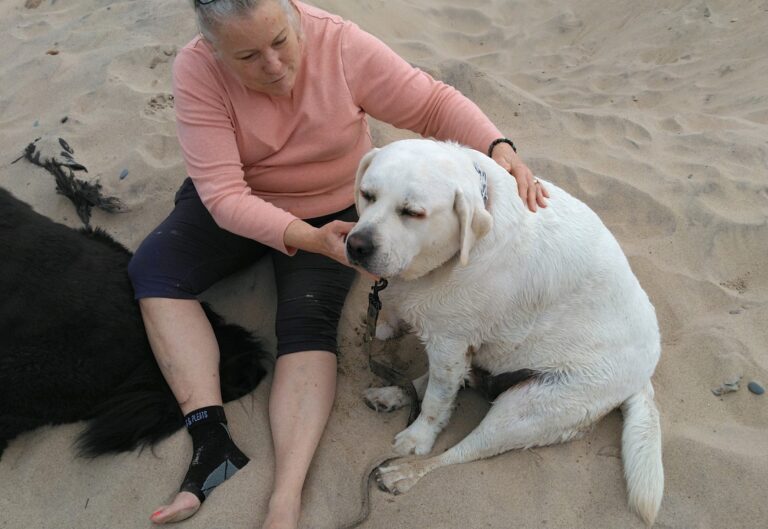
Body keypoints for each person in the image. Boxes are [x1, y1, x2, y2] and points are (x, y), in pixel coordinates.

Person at [127, 0, 549, 527]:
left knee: (306, 325)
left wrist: (498, 145)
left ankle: (286, 495)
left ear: (296, 18)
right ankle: (209, 439)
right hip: (241, 206)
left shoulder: (339, 42)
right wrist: (305, 238)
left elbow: (432, 105)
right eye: (249, 56)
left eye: (281, 41)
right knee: (153, 272)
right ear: (213, 51)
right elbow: (221, 195)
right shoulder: (196, 69)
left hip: (335, 211)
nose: (274, 66)